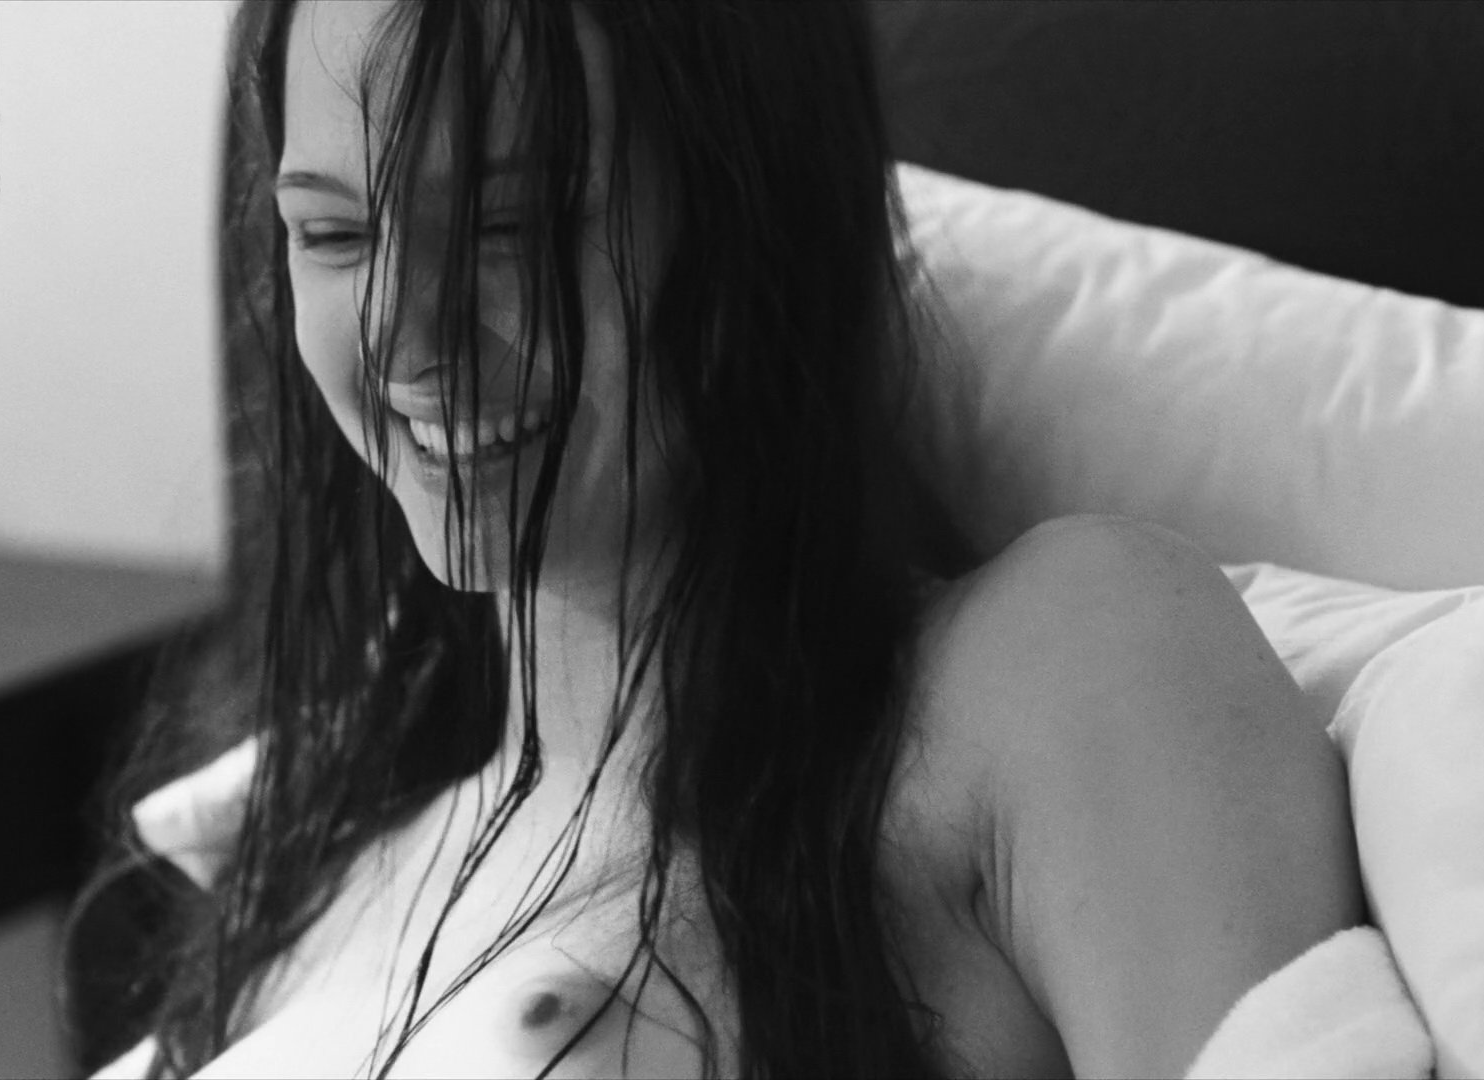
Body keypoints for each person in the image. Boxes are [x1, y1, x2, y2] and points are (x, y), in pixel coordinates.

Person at [78, 1, 1364, 1076]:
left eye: (506, 226)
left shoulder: (1051, 671)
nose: (406, 340)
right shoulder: (326, 870)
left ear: (759, 214)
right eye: (335, 235)